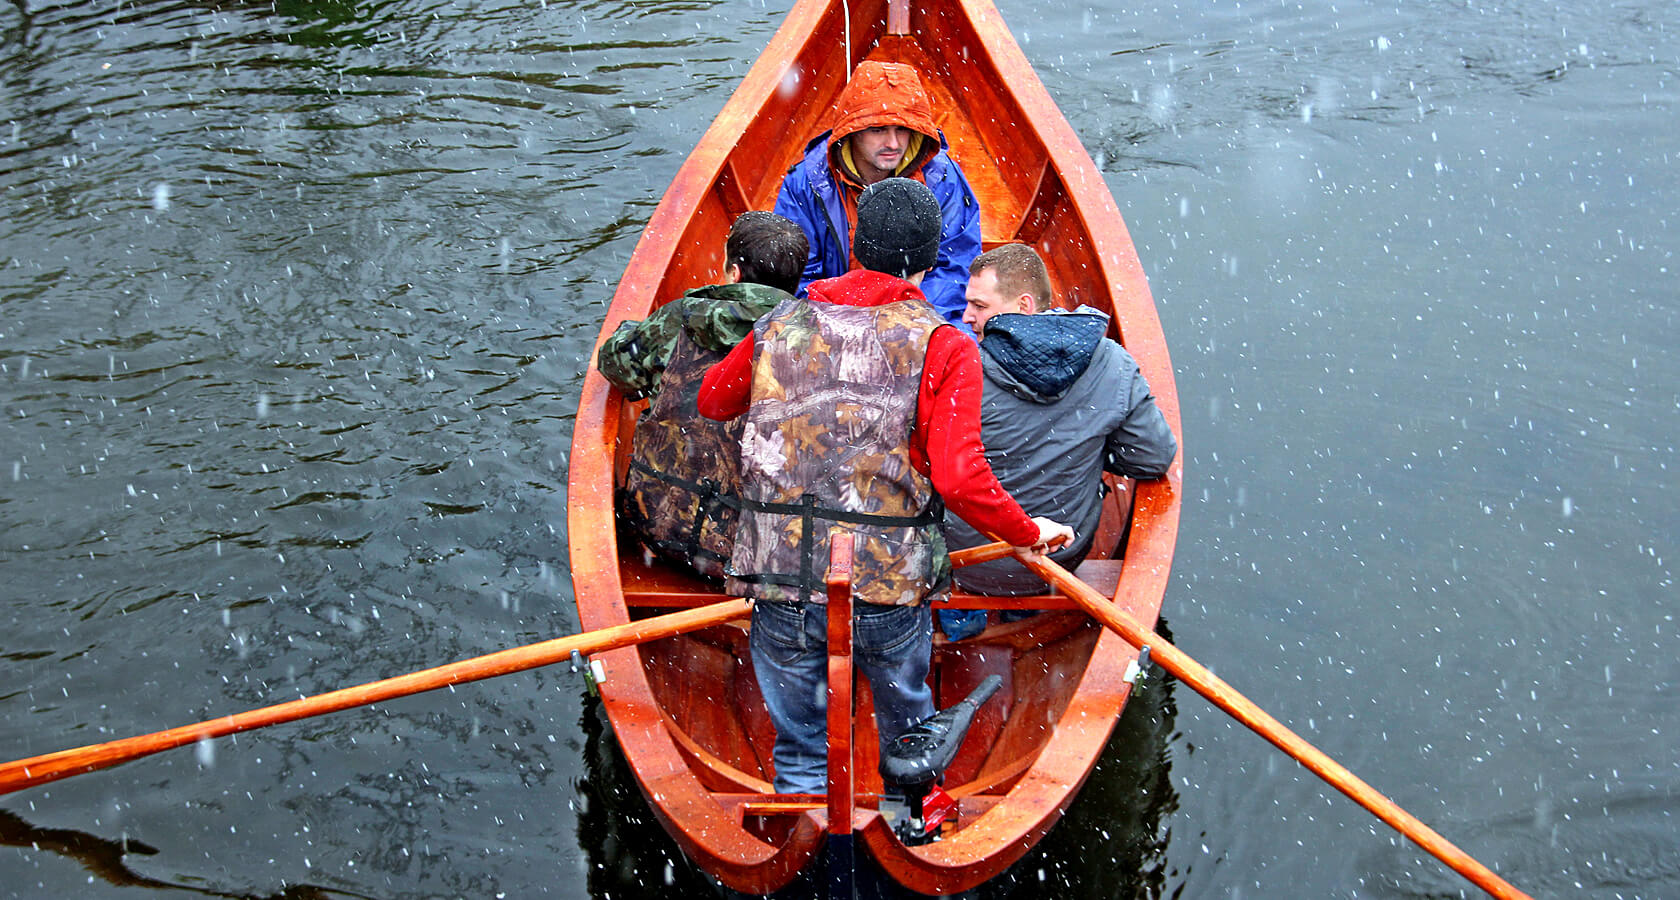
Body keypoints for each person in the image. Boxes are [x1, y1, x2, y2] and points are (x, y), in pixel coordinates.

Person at [698, 179, 1072, 794]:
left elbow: (714, 400)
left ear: (853, 242)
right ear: (932, 260)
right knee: (909, 731)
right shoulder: (946, 345)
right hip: (886, 586)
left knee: (799, 744)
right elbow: (959, 477)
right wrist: (1027, 534)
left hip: (780, 572)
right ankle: (913, 810)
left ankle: (807, 829)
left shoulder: (781, 320)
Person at [939, 243, 1178, 629]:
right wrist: (1093, 450)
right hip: (1057, 562)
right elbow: (1152, 457)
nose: (966, 317)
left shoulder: (961, 371)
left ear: (1025, 305)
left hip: (965, 563)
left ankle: (963, 615)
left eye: (979, 307)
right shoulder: (1112, 362)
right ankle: (1029, 614)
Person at [596, 211, 809, 578]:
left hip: (658, 529)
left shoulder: (679, 319)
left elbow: (618, 367)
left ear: (734, 272)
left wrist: (636, 331)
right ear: (795, 282)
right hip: (759, 558)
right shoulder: (816, 343)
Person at [773, 59, 982, 332]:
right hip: (834, 321)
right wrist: (847, 329)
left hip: (919, 321)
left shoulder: (942, 177)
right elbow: (798, 277)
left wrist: (907, 329)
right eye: (878, 130)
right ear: (853, 132)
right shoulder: (806, 183)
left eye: (903, 130)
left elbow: (954, 269)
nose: (893, 143)